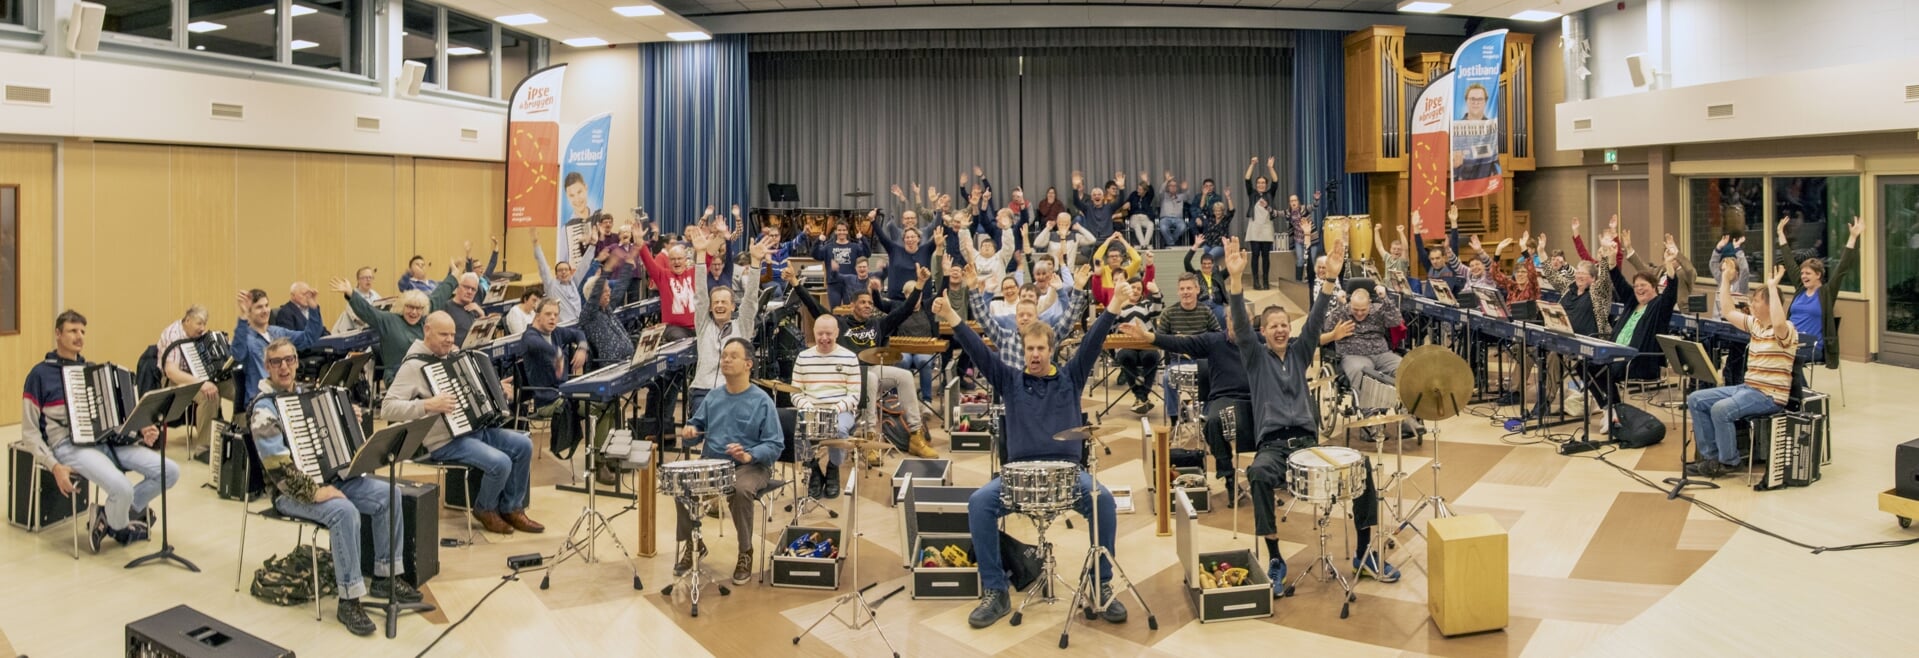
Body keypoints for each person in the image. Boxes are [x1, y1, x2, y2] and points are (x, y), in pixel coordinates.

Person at [937, 276, 1132, 630]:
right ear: (1023, 351)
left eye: (1041, 349)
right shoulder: (1010, 381)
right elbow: (979, 352)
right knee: (980, 502)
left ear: (1051, 349)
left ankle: (1100, 583)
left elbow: (1093, 340)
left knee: (1102, 500)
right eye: (1030, 349)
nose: (1035, 355)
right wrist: (952, 314)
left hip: (1067, 474)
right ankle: (996, 592)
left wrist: (1115, 303)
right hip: (1019, 476)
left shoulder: (1071, 377)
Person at [1222, 237, 1399, 594]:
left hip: (1307, 443)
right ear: (1263, 333)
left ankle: (1365, 552)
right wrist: (1236, 281)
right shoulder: (1255, 359)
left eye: (1285, 323)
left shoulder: (1302, 351)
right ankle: (1274, 557)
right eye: (1272, 325)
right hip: (1272, 447)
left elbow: (1317, 320)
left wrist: (1331, 280)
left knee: (1361, 466)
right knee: (1257, 473)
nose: (1280, 328)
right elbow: (1240, 326)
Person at [248, 339, 419, 635]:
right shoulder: (263, 410)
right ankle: (349, 600)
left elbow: (336, 441)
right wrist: (314, 492)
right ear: (268, 367)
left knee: (389, 494)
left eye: (289, 359)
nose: (285, 366)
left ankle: (384, 576)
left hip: (333, 479)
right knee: (344, 512)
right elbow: (279, 469)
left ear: (297, 362)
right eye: (277, 362)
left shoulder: (309, 396)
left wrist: (347, 419)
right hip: (289, 493)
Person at [19, 310, 178, 553]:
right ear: (58, 334)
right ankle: (119, 521)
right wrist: (54, 465)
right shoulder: (39, 375)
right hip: (68, 446)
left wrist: (139, 432)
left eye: (82, 331)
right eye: (73, 331)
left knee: (170, 471)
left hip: (106, 442)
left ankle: (110, 516)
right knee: (122, 488)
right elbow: (30, 433)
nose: (79, 336)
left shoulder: (92, 371)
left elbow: (113, 418)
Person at [382, 312, 541, 535]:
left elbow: (473, 390)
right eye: (443, 334)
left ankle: (512, 507)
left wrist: (496, 388)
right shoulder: (413, 367)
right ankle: (485, 508)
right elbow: (387, 408)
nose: (449, 339)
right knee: (501, 462)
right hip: (444, 442)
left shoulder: (451, 357)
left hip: (474, 430)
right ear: (427, 331)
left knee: (524, 444)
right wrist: (428, 405)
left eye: (452, 335)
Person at [783, 258, 935, 459]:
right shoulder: (840, 324)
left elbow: (905, 310)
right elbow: (813, 307)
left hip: (873, 369)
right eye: (862, 302)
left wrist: (920, 284)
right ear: (852, 304)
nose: (867, 306)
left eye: (870, 303)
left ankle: (916, 435)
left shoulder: (877, 325)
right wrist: (795, 282)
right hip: (849, 374)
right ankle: (870, 437)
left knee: (905, 375)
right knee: (870, 378)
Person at [673, 337, 785, 584]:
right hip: (714, 464)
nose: (726, 360)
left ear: (748, 364)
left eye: (733, 356)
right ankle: (694, 543)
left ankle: (745, 551)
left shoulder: (762, 401)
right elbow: (696, 426)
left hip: (751, 466)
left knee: (740, 489)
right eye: (724, 356)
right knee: (680, 484)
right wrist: (690, 430)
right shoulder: (713, 397)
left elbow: (775, 445)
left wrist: (749, 454)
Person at [1686, 265, 1797, 478]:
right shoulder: (1755, 325)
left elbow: (1780, 321)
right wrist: (1726, 280)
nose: (1751, 304)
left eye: (1756, 300)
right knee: (1696, 399)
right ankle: (1711, 458)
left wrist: (1773, 287)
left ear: (1769, 304)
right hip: (1747, 388)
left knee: (1720, 410)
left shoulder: (1786, 330)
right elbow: (1728, 311)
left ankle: (1728, 462)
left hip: (1769, 396)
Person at [1320, 286, 1419, 439]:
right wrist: (1340, 305)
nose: (1359, 313)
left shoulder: (1378, 309)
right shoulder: (1343, 310)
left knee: (1404, 368)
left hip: (1381, 354)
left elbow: (1396, 320)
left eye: (1363, 310)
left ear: (1370, 304)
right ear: (1350, 304)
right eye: (1355, 309)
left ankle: (1407, 416)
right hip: (1353, 355)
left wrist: (1385, 299)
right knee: (1363, 372)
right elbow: (1327, 327)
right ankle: (1370, 420)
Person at [689, 232, 771, 412]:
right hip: (704, 390)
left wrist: (756, 263)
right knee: (698, 434)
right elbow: (701, 295)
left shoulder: (742, 327)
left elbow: (750, 300)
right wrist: (701, 255)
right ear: (710, 308)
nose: (719, 305)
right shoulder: (703, 325)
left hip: (734, 390)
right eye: (715, 302)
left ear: (733, 306)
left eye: (723, 302)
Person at [1775, 216, 1861, 369]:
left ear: (1818, 275)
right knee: (1761, 348)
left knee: (1784, 356)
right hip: (1790, 340)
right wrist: (1781, 234)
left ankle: (1794, 391)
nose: (1803, 276)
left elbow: (1842, 268)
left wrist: (1853, 237)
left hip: (1812, 346)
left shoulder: (1826, 293)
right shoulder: (1801, 289)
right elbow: (1789, 261)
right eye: (1802, 273)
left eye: (1807, 273)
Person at [790, 315, 860, 499]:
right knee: (796, 430)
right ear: (813, 332)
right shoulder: (803, 357)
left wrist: (834, 409)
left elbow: (854, 395)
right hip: (811, 408)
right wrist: (807, 406)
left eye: (828, 333)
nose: (824, 338)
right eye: (820, 333)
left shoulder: (850, 357)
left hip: (840, 410)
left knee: (838, 429)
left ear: (837, 333)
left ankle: (833, 469)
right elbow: (795, 392)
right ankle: (813, 470)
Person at [231, 289, 325, 404]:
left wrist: (313, 307)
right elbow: (237, 354)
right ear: (249, 312)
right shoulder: (245, 338)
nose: (265, 310)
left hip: (287, 394)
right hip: (262, 399)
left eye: (266, 305)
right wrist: (243, 317)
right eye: (259, 307)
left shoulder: (278, 333)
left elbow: (309, 337)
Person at [157, 305, 227, 444]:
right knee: (209, 396)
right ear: (188, 320)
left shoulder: (200, 335)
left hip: (200, 376)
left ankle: (238, 439)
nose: (202, 328)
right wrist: (201, 384)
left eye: (204, 324)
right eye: (199, 323)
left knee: (239, 388)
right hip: (176, 379)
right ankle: (205, 447)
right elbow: (172, 372)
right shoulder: (173, 335)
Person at [333, 281, 428, 383]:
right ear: (402, 306)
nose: (414, 312)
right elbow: (368, 311)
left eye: (418, 308)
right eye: (410, 307)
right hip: (397, 376)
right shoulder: (389, 320)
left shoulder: (424, 325)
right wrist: (351, 294)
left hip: (420, 373)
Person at [636, 233, 699, 341]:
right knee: (680, 340)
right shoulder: (663, 276)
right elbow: (649, 262)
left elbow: (708, 260)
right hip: (674, 328)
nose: (677, 262)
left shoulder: (694, 273)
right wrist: (640, 242)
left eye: (679, 258)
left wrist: (720, 237)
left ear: (685, 260)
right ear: (668, 261)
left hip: (697, 325)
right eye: (673, 259)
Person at [531, 230, 601, 325]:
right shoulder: (551, 285)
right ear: (556, 274)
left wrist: (593, 245)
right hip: (564, 327)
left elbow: (584, 265)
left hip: (579, 323)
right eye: (560, 270)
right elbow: (543, 266)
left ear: (570, 272)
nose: (563, 272)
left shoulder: (574, 282)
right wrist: (536, 244)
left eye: (566, 270)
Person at [1244, 157, 1281, 289]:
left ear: (1266, 185)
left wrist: (1270, 168)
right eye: (1258, 183)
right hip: (1254, 228)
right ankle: (1255, 281)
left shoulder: (1270, 194)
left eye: (1263, 183)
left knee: (1265, 256)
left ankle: (1265, 281)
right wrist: (1252, 164)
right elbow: (1247, 179)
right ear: (1256, 184)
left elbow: (1275, 181)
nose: (1261, 185)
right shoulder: (1252, 194)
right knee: (1255, 255)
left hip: (1266, 228)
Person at [1071, 170, 1128, 241]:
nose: (1096, 196)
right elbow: (1076, 202)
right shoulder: (1087, 208)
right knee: (1085, 251)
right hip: (1092, 240)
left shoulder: (1109, 207)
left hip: (1107, 240)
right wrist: (1075, 188)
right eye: (1094, 195)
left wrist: (1121, 188)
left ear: (1103, 197)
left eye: (1099, 194)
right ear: (1091, 198)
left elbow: (1120, 201)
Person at [331, 267, 382, 333]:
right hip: (354, 333)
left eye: (370, 277)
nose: (368, 280)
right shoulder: (352, 296)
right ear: (358, 280)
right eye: (365, 277)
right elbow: (359, 321)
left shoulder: (375, 294)